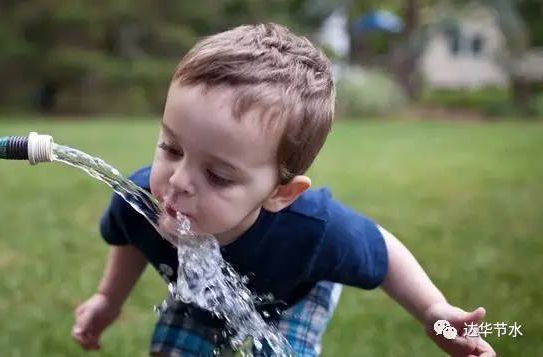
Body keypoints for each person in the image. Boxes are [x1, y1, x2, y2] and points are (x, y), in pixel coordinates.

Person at [71, 23, 496, 356]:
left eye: (217, 175)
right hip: (203, 289)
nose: (179, 181)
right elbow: (129, 236)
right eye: (171, 148)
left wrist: (434, 312)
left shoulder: (313, 231)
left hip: (293, 290)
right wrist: (108, 299)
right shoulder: (143, 199)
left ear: (281, 192)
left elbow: (384, 254)